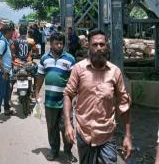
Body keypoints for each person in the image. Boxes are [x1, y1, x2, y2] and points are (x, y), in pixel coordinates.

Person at [63, 29, 132, 163]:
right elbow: (68, 94)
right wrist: (67, 124)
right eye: (95, 45)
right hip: (84, 134)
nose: (99, 48)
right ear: (88, 46)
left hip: (107, 135)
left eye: (102, 44)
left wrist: (128, 136)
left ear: (106, 46)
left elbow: (124, 104)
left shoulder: (115, 72)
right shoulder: (78, 69)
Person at [34, 32, 77, 163]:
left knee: (66, 127)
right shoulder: (44, 58)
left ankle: (68, 152)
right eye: (56, 43)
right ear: (51, 44)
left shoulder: (70, 59)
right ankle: (54, 151)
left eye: (61, 43)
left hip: (65, 101)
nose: (59, 46)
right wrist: (36, 93)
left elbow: (74, 80)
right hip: (50, 101)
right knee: (52, 128)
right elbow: (40, 76)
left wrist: (74, 97)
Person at [0, 23, 15, 123]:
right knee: (2, 92)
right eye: (11, 32)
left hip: (6, 71)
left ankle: (6, 109)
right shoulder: (2, 42)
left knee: (7, 91)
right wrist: (4, 71)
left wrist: (12, 63)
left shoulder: (7, 41)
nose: (13, 33)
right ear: (7, 32)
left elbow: (5, 57)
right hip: (2, 72)